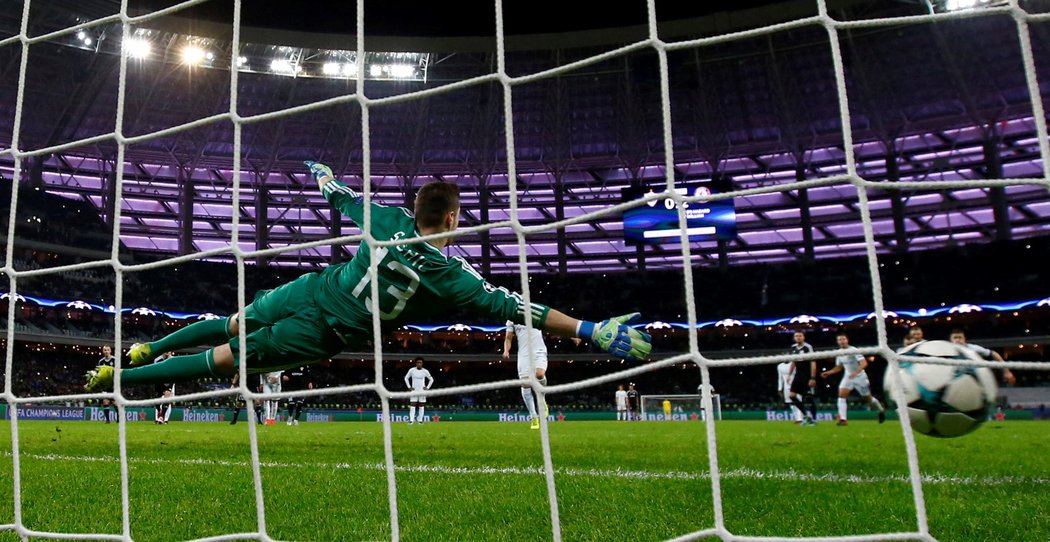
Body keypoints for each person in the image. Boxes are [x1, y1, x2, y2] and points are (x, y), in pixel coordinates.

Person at [85, 161, 652, 393]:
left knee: (233, 321)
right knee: (229, 358)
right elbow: (518, 308)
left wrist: (327, 179)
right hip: (329, 331)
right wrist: (588, 330)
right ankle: (120, 381)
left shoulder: (386, 218)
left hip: (312, 287)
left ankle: (145, 348)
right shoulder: (454, 277)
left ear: (415, 208)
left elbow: (343, 198)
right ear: (453, 218)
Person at [503, 321, 580, 429]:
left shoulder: (535, 314)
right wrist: (506, 350)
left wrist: (572, 336)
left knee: (539, 374)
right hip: (524, 354)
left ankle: (541, 398)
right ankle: (534, 417)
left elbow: (555, 326)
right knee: (525, 384)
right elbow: (508, 338)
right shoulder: (511, 320)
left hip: (538, 350)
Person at [820, 332, 885, 425]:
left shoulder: (853, 350)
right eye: (839, 340)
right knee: (841, 395)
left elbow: (864, 363)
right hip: (848, 377)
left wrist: (856, 372)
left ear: (847, 340)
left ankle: (881, 410)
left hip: (860, 377)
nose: (841, 341)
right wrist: (829, 372)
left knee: (868, 399)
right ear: (837, 341)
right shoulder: (839, 353)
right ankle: (843, 419)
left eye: (843, 339)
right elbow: (839, 367)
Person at [949, 328, 1016, 386]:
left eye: (960, 337)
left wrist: (1006, 372)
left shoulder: (973, 348)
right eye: (955, 338)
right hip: (954, 382)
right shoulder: (946, 351)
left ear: (964, 339)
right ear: (951, 340)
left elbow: (994, 354)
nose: (957, 340)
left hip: (975, 381)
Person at [788, 331, 818, 426]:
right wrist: (789, 374)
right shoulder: (793, 347)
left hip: (807, 375)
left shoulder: (808, 347)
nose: (798, 337)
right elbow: (793, 362)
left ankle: (814, 419)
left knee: (808, 397)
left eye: (800, 336)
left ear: (804, 337)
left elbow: (813, 362)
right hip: (798, 375)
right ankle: (806, 416)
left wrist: (812, 377)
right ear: (794, 338)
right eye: (796, 336)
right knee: (792, 395)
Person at [404, 357, 434, 424]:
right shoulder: (412, 370)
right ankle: (411, 420)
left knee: (421, 406)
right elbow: (406, 378)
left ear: (422, 363)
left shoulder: (425, 371)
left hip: (422, 391)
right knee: (412, 405)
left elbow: (431, 379)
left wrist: (427, 387)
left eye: (420, 362)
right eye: (418, 362)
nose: (419, 364)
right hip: (414, 391)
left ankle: (420, 420)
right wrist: (409, 387)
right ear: (416, 363)